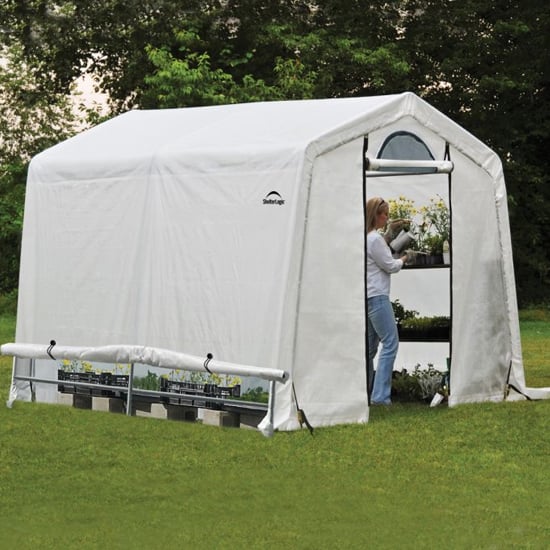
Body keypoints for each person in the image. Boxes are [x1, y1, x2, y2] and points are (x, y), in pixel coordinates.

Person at [366, 197, 409, 405]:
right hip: (378, 297)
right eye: (384, 214)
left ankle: (364, 390)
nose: (387, 217)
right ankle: (380, 397)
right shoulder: (373, 239)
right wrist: (404, 258)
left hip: (367, 298)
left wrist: (389, 233)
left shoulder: (367, 237)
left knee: (369, 349)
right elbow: (390, 265)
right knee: (391, 343)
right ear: (375, 215)